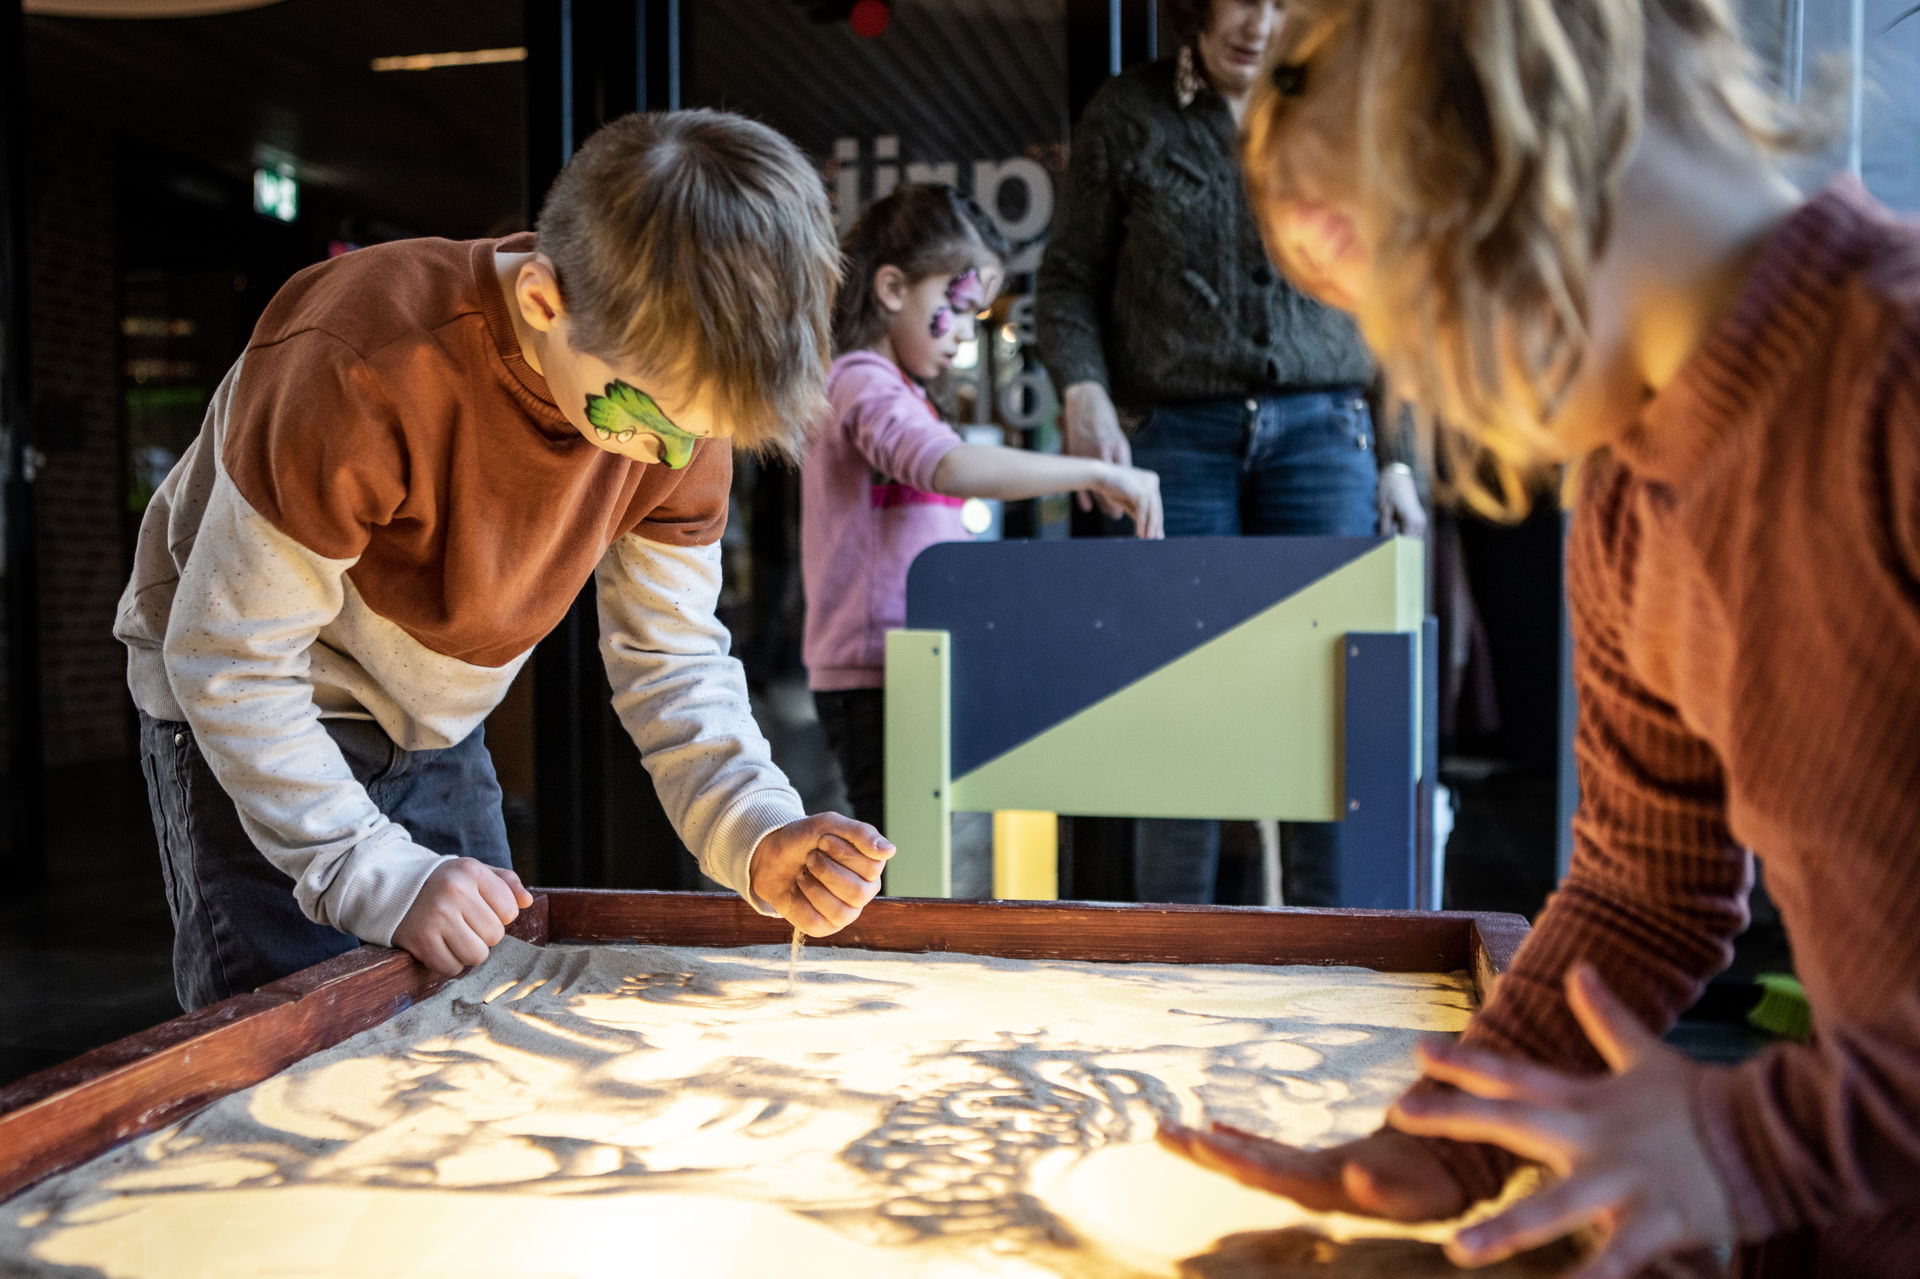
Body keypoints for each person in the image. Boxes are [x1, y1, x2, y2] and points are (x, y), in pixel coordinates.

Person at [1157, 2, 1920, 1276]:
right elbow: (1640, 888)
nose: (1409, 369)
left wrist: (1746, 1141)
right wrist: (1451, 1143)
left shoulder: (1894, 382)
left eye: (1392, 296)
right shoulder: (1628, 498)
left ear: (1517, 159)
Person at [114, 110, 895, 1011]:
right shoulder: (362, 361)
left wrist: (758, 827)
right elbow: (230, 659)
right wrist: (371, 870)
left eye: (701, 432)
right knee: (289, 1029)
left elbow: (673, 661)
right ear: (540, 302)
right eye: (637, 420)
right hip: (246, 708)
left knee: (481, 1005)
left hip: (431, 719)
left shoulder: (681, 413)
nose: (662, 455)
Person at [1036, 0, 1426, 909]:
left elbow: (1395, 294)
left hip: (1327, 434)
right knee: (1186, 702)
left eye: (1285, 1)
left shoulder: (1348, 110)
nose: (1260, 20)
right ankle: (1175, 956)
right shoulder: (1127, 115)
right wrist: (1082, 388)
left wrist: (1400, 458)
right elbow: (1068, 282)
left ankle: (1342, 959)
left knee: (1332, 701)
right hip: (1177, 441)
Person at [802, 184, 1163, 856]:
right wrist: (1094, 470)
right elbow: (950, 467)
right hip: (875, 675)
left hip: (906, 667)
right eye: (958, 308)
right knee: (900, 866)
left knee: (915, 860)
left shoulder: (899, 391)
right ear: (890, 288)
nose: (966, 334)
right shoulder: (860, 381)